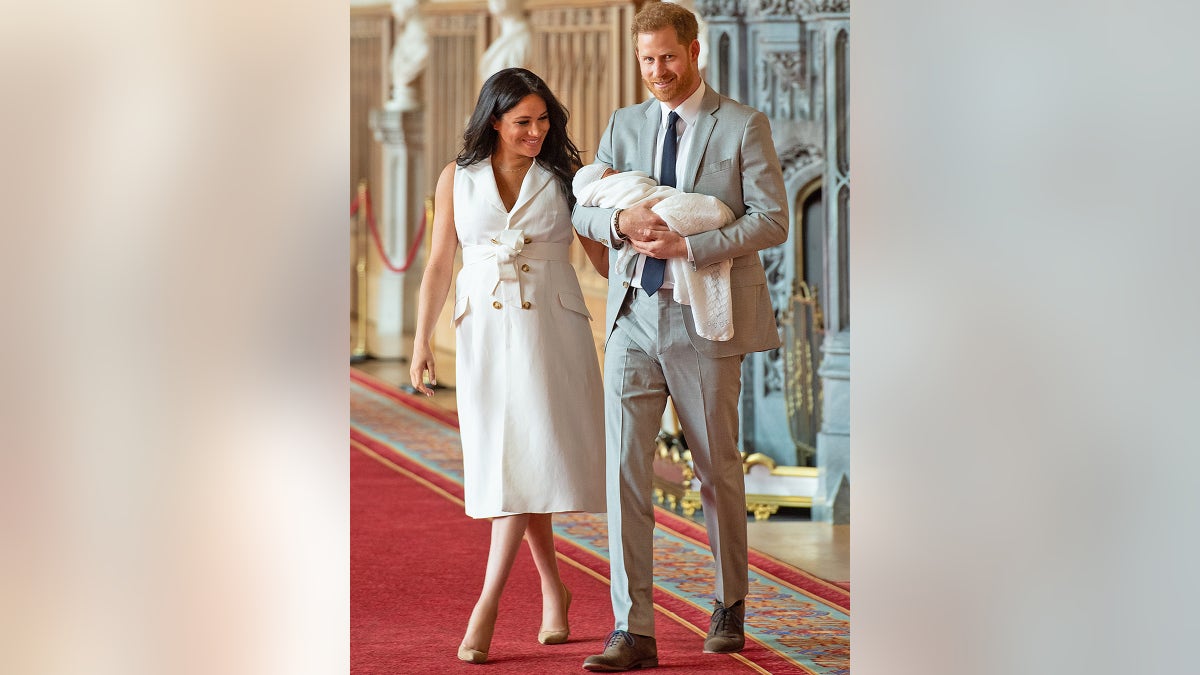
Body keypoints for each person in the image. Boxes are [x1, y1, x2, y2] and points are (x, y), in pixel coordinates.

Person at [570, 2, 789, 671]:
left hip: (704, 320)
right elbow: (583, 205)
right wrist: (623, 222)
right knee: (625, 470)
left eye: (667, 56)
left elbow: (773, 219)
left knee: (715, 469)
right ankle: (632, 627)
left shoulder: (743, 124)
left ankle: (729, 601)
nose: (656, 71)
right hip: (634, 313)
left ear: (695, 52)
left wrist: (693, 244)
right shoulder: (624, 124)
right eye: (646, 60)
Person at [409, 67, 608, 665]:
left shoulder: (566, 175)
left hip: (550, 325)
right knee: (516, 455)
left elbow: (601, 259)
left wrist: (625, 212)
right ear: (493, 120)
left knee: (526, 454)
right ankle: (555, 588)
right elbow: (441, 262)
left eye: (544, 120)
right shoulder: (457, 178)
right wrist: (422, 339)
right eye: (523, 121)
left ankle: (487, 605)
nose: (537, 131)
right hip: (484, 332)